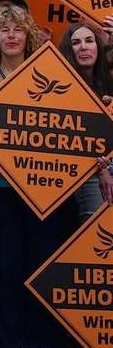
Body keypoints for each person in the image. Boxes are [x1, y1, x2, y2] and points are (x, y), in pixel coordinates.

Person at [0, 6, 65, 348]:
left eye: (18, 30)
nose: (12, 36)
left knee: (39, 262)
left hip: (43, 186)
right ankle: (13, 342)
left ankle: (41, 344)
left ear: (28, 36)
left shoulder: (46, 74)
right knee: (5, 263)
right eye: (5, 31)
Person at [58, 22, 113, 222]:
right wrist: (103, 170)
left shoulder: (108, 82)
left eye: (89, 41)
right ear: (68, 50)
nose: (83, 47)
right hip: (87, 174)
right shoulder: (61, 88)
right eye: (76, 42)